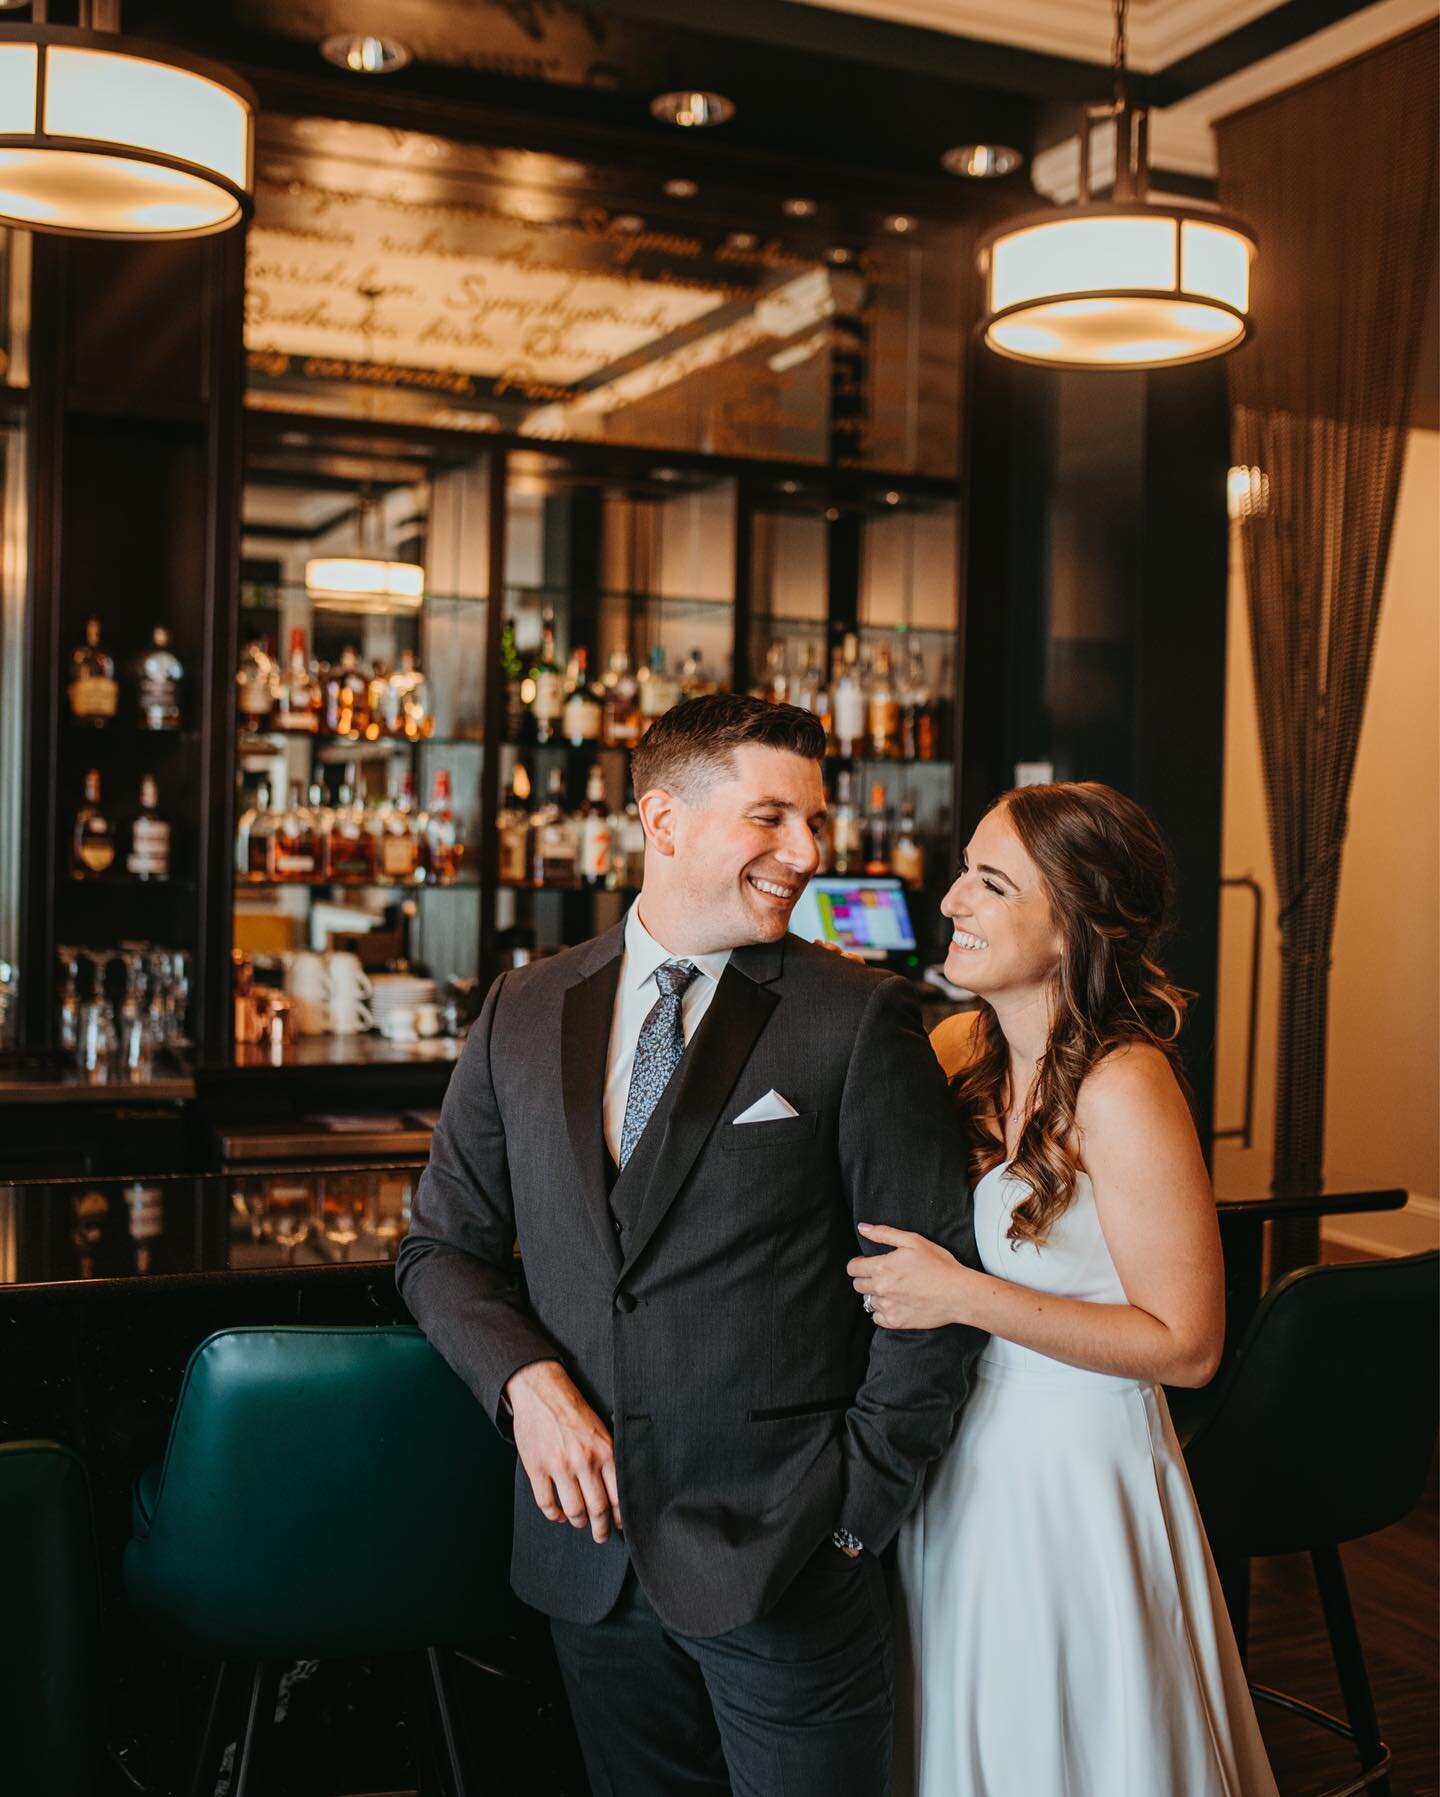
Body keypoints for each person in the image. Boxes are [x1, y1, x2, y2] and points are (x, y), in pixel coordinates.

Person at [397, 693, 986, 1797]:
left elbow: (933, 1291)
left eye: (813, 821)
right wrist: (527, 1382)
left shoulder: (859, 1018)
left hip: (788, 1554)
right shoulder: (524, 1008)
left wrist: (852, 1521)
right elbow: (441, 1249)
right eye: (771, 818)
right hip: (589, 1563)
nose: (806, 853)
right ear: (663, 822)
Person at [850, 781, 1279, 1797]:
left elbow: (1189, 1345)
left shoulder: (1124, 1088)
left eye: (990, 885)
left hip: (1072, 1473)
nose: (950, 901)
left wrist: (962, 1296)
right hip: (957, 1455)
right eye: (964, 871)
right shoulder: (966, 1052)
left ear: (1073, 927)